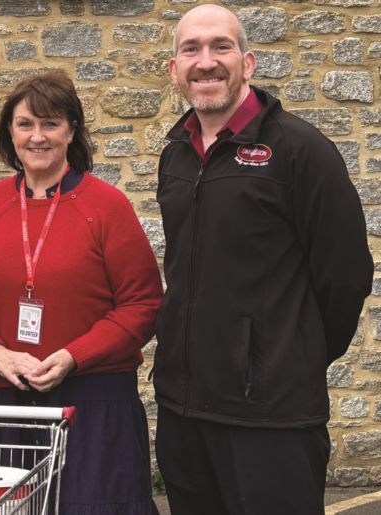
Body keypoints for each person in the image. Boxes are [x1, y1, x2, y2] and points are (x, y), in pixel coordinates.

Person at [155, 5, 373, 513]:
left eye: (221, 47)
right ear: (174, 69)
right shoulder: (176, 154)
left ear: (248, 62)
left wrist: (289, 356)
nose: (205, 61)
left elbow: (345, 278)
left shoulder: (300, 150)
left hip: (271, 421)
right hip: (183, 412)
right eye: (191, 49)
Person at [0, 70, 163, 514]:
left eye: (51, 123)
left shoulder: (107, 206)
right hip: (1, 401)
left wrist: (75, 354)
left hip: (92, 401)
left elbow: (142, 304)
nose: (37, 137)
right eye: (25, 124)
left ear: (72, 130)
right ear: (10, 133)